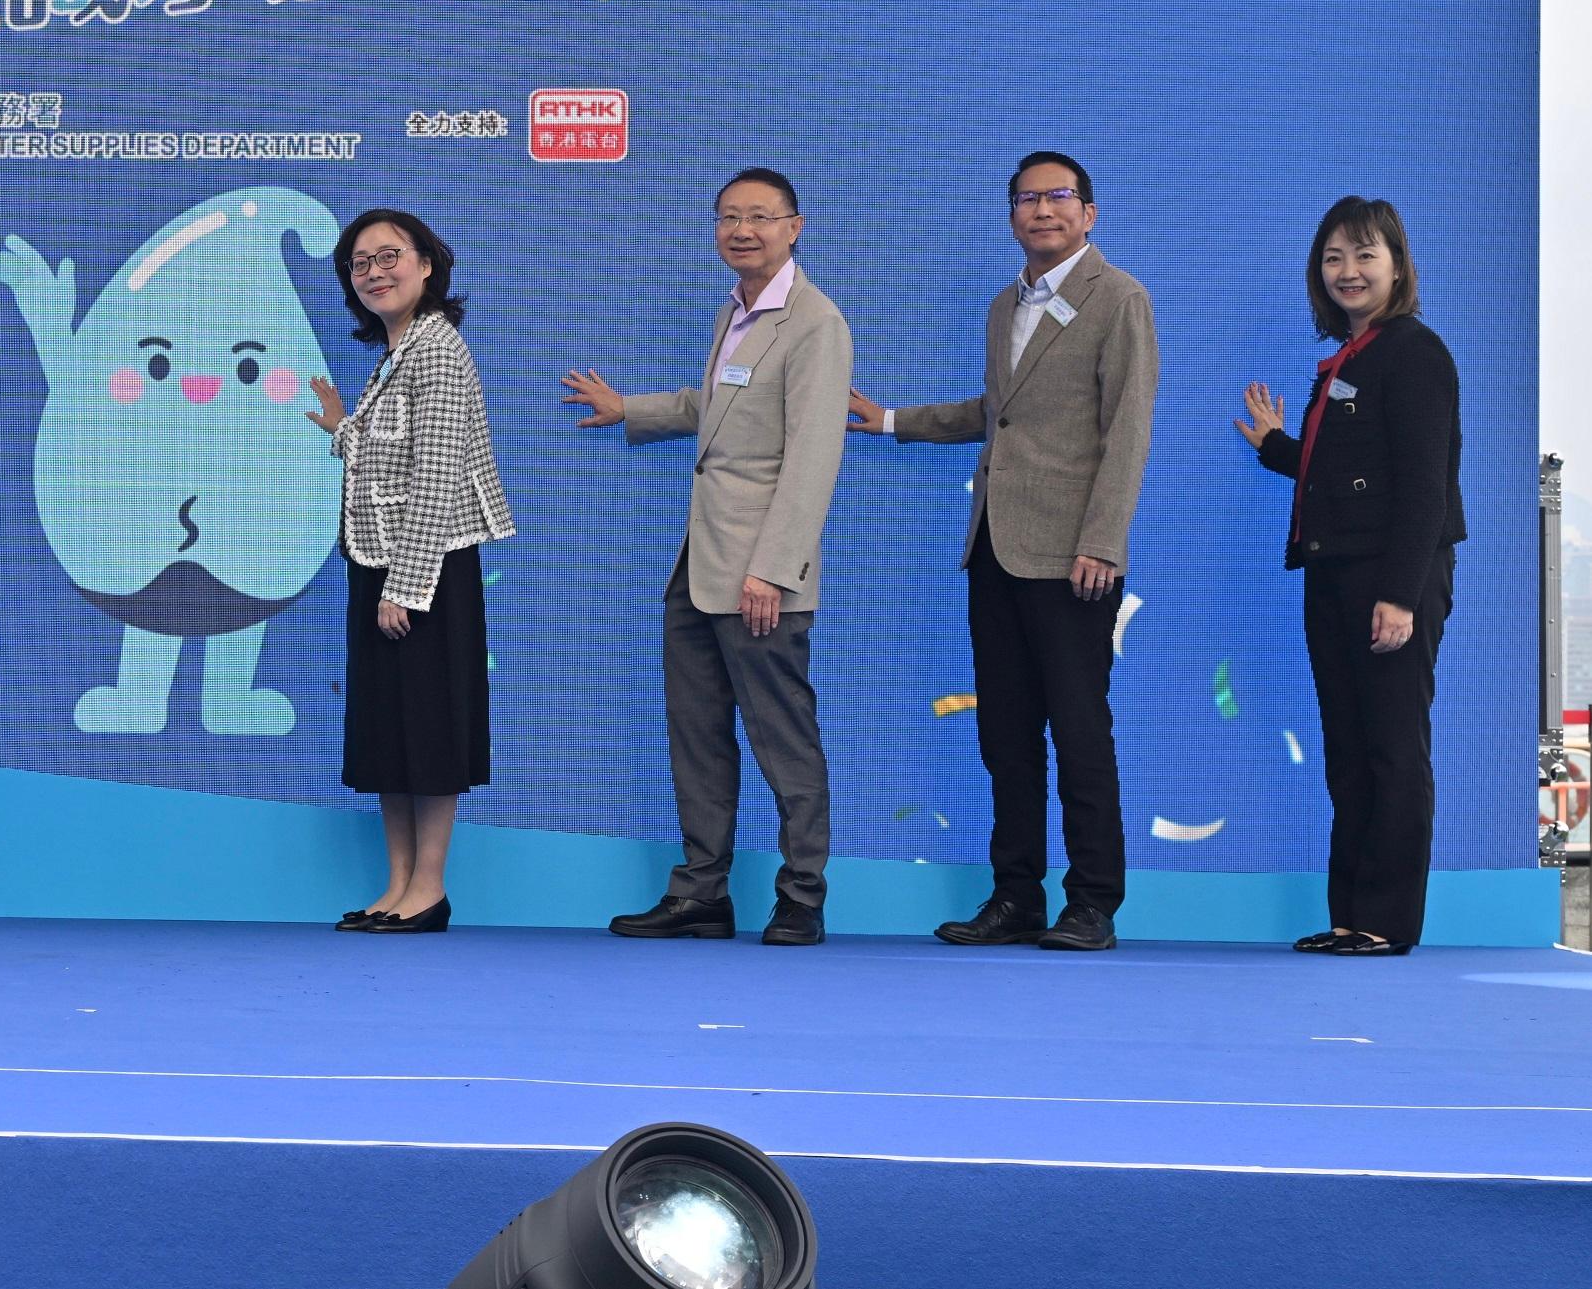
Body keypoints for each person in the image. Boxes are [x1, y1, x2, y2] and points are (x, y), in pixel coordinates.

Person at [848, 153, 1158, 953]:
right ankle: (1015, 895)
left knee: (1080, 732)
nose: (1042, 210)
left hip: (1073, 557)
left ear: (1089, 212)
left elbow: (1128, 430)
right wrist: (889, 420)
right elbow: (1000, 413)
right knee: (1006, 736)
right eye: (1027, 198)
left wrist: (1103, 540)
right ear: (1011, 213)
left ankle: (1092, 901)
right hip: (994, 549)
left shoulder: (1119, 298)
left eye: (1059, 197)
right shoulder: (1003, 305)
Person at [562, 168, 851, 946]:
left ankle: (801, 896)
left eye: (760, 217)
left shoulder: (815, 322)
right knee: (696, 733)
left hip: (761, 576)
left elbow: (814, 453)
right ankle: (700, 893)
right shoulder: (735, 312)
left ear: (797, 226)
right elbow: (715, 407)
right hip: (698, 567)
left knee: (782, 738)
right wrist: (633, 409)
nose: (741, 230)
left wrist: (774, 566)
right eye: (728, 216)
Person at [1234, 196, 1461, 956]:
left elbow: (1426, 485)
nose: (1348, 271)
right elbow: (1341, 470)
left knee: (1393, 746)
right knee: (1348, 747)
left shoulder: (1414, 351)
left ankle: (1386, 922)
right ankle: (1349, 916)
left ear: (1398, 264)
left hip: (1391, 577)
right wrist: (1276, 446)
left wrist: (1399, 593)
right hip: (1333, 571)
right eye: (1334, 257)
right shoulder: (1349, 359)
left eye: (1365, 255)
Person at [305, 210, 514, 935]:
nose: (374, 272)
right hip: (377, 564)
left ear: (427, 264)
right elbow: (386, 457)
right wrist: (342, 427)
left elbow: (437, 474)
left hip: (425, 571)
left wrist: (407, 583)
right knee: (387, 732)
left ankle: (429, 886)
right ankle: (395, 884)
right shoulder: (394, 356)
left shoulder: (440, 350)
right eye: (359, 264)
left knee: (427, 728)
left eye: (388, 256)